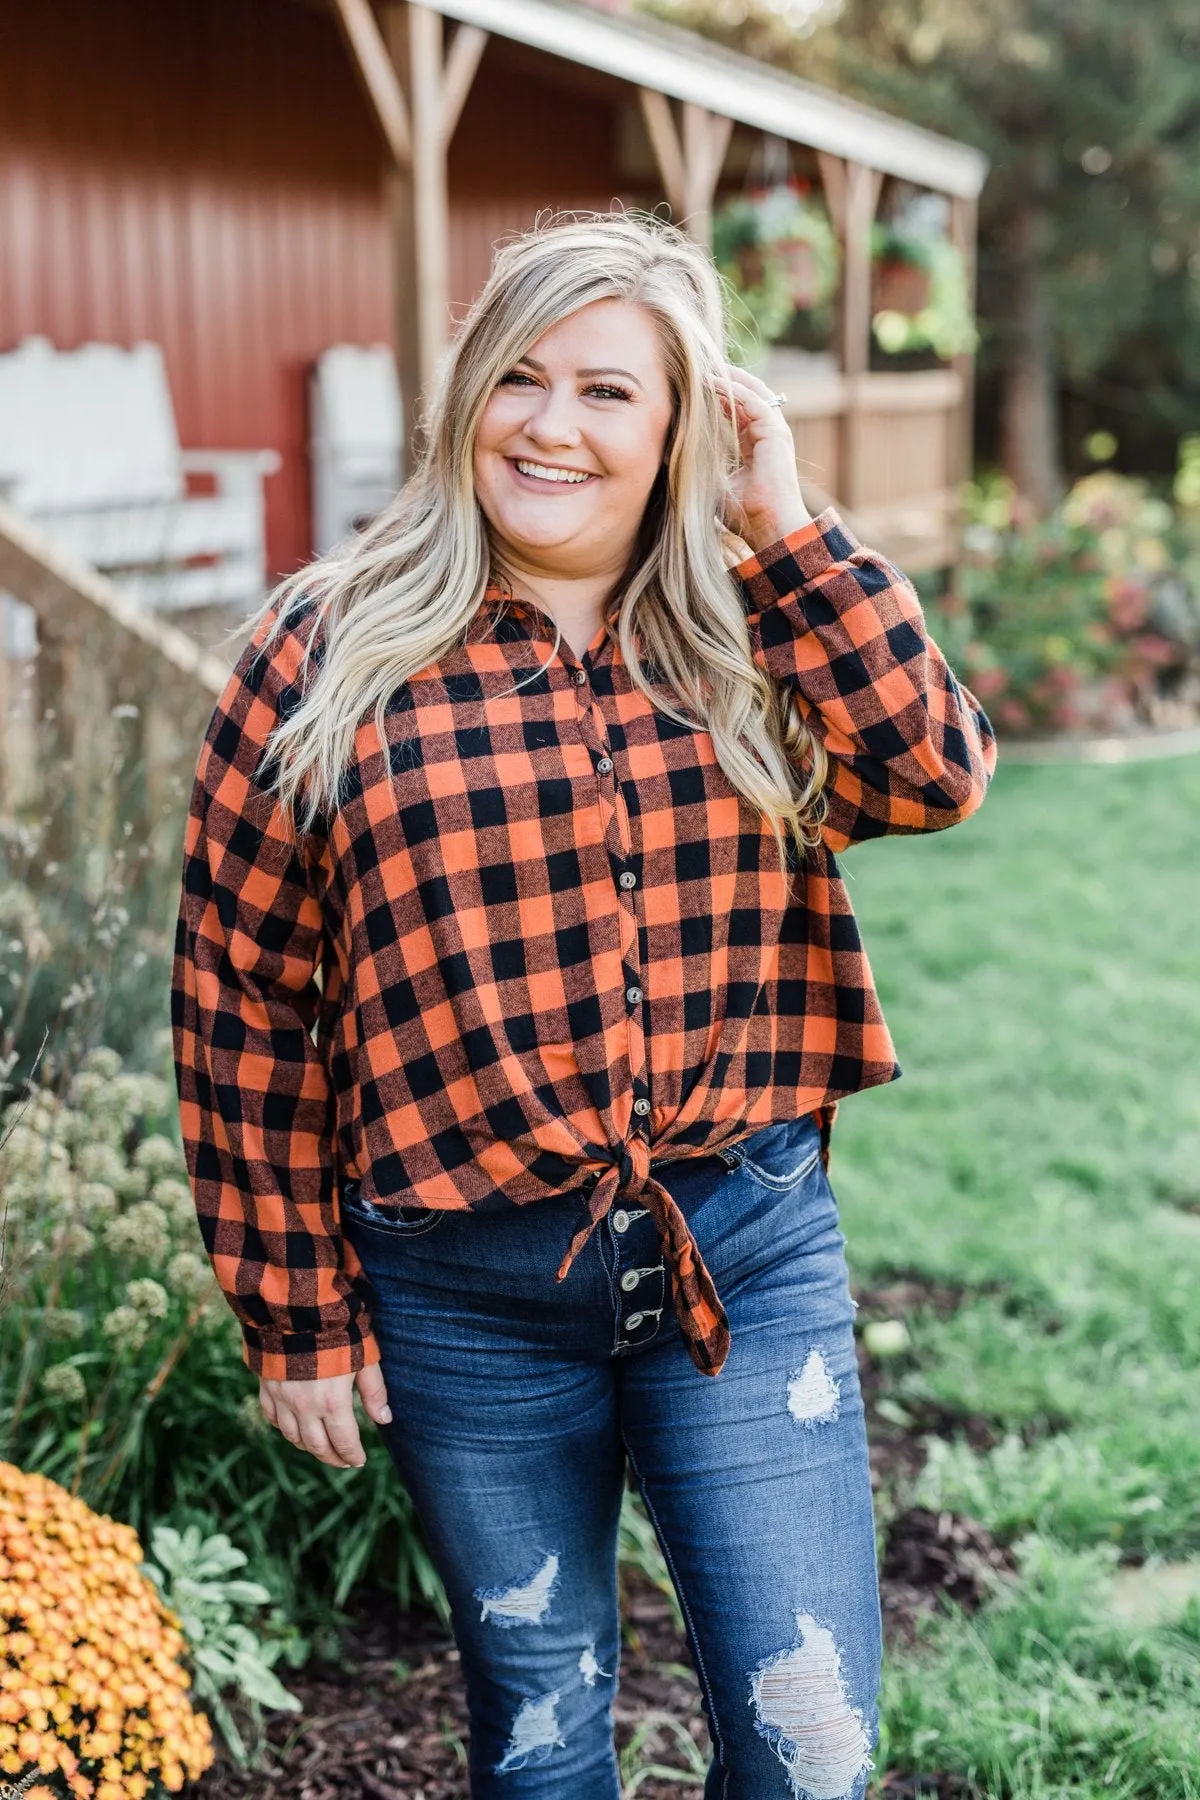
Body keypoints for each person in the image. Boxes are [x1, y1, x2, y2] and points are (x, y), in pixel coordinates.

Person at [172, 210, 995, 1800]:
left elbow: (936, 775)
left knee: (813, 1746)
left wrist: (791, 526)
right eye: (521, 379)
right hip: (461, 1287)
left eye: (611, 392)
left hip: (742, 1250)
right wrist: (297, 1312)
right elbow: (242, 998)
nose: (552, 426)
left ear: (684, 423)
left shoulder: (758, 635)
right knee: (540, 1741)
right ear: (468, 396)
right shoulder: (317, 650)